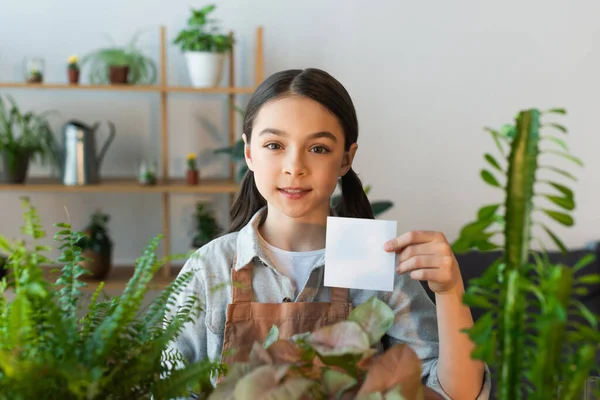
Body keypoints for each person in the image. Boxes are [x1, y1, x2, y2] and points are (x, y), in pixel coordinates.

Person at [164, 68, 491, 399]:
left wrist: (450, 290)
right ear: (249, 153)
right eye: (275, 144)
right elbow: (165, 389)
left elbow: (455, 393)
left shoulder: (376, 263)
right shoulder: (209, 269)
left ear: (346, 159)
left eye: (318, 148)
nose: (295, 167)